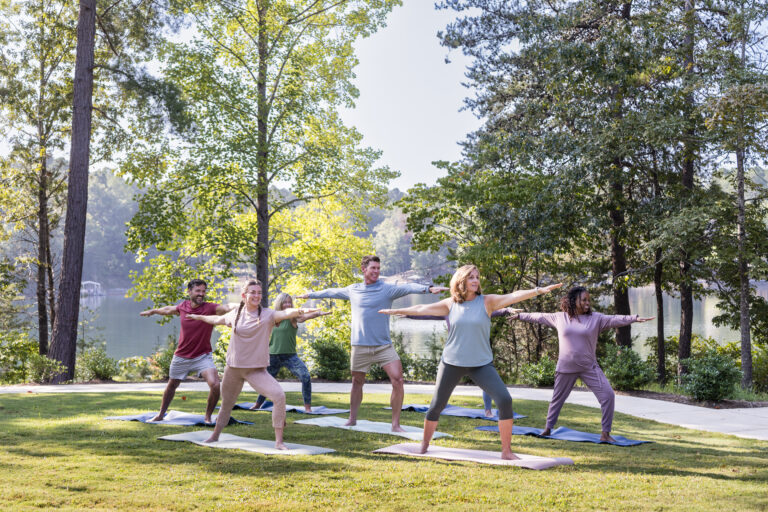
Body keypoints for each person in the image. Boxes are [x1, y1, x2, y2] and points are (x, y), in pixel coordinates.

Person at [379, 264, 562, 459]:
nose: (475, 280)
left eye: (477, 277)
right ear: (461, 281)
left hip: (481, 364)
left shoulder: (487, 302)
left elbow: (514, 296)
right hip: (452, 363)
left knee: (505, 400)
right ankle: (424, 445)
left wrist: (538, 290)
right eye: (471, 277)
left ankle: (506, 451)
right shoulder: (450, 304)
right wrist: (396, 311)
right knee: (437, 405)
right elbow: (421, 308)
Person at [298, 255, 448, 431]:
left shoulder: (387, 290)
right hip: (360, 346)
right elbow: (332, 292)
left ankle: (395, 424)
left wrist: (428, 289)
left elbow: (408, 287)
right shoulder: (353, 290)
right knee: (357, 382)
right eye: (373, 268)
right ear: (364, 269)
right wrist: (310, 294)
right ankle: (352, 419)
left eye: (378, 268)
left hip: (384, 346)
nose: (376, 271)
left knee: (398, 380)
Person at [187, 279, 320, 448]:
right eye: (253, 292)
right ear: (244, 295)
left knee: (279, 396)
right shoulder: (235, 314)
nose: (256, 296)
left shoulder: (268, 315)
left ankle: (279, 442)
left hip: (255, 370)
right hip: (233, 369)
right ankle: (215, 435)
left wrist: (301, 310)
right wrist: (197, 316)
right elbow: (217, 319)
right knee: (226, 405)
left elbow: (287, 313)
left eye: (259, 293)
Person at [511, 286, 654, 442]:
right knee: (557, 400)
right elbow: (538, 316)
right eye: (584, 300)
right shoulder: (559, 317)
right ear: (574, 300)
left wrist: (634, 318)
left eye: (589, 300)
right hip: (566, 368)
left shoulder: (596, 319)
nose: (587, 303)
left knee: (608, 396)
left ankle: (605, 434)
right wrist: (520, 316)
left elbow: (614, 319)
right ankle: (547, 429)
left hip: (589, 368)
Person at [139, 279, 236, 424]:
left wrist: (240, 304)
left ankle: (208, 417)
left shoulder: (210, 308)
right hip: (181, 356)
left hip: (203, 356)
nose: (201, 294)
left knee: (215, 385)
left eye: (203, 291)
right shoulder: (183, 306)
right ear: (189, 291)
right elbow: (167, 310)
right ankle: (160, 414)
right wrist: (153, 311)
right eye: (198, 291)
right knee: (172, 385)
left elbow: (227, 307)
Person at [404, 308, 521, 417]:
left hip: (477, 354)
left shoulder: (479, 310)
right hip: (455, 356)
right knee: (442, 388)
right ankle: (437, 407)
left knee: (488, 384)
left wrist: (507, 310)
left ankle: (488, 410)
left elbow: (495, 311)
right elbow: (428, 314)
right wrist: (409, 314)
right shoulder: (449, 311)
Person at [252, 293, 330, 412]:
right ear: (280, 303)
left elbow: (304, 317)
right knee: (266, 382)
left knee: (305, 376)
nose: (288, 304)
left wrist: (318, 313)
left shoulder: (293, 317)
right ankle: (257, 404)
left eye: (289, 302)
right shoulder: (273, 317)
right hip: (273, 356)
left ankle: (307, 407)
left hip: (289, 356)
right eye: (285, 302)